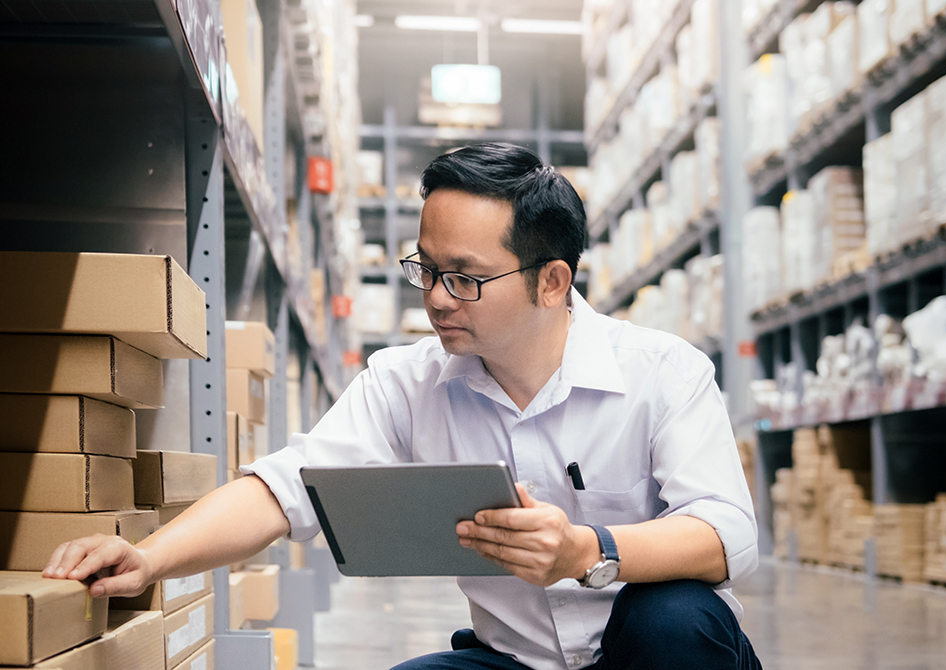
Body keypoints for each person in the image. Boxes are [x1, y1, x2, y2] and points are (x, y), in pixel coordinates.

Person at [44, 143, 761, 670]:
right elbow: (288, 489)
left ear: (552, 281)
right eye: (427, 268)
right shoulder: (408, 382)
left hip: (648, 653)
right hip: (513, 660)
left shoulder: (663, 371)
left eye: (467, 278)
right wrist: (147, 557)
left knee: (673, 619)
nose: (437, 298)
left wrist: (587, 551)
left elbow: (727, 532)